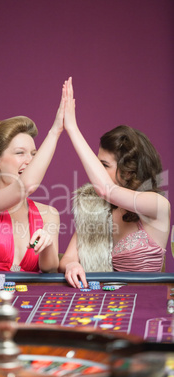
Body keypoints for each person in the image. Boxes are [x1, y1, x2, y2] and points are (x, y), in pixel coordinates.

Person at [59, 77, 171, 288]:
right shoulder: (96, 207)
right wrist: (71, 265)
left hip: (146, 306)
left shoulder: (157, 206)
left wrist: (72, 128)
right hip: (107, 307)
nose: (96, 172)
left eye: (104, 165)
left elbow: (106, 189)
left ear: (129, 171)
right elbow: (67, 259)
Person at [0, 89, 65, 273]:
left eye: (34, 155)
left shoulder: (49, 213)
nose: (30, 160)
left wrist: (47, 243)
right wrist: (54, 132)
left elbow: (50, 269)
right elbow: (25, 186)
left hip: (27, 301)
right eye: (20, 153)